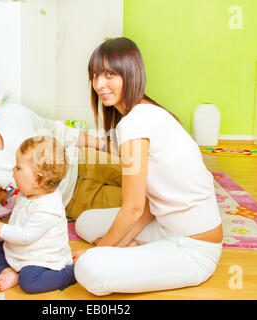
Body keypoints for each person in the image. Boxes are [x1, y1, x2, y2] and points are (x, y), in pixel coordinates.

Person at [72, 37, 223, 296]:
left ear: (131, 73)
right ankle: (134, 252)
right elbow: (147, 204)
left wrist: (99, 251)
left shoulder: (135, 123)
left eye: (110, 74)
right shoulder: (145, 111)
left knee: (88, 267)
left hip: (194, 248)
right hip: (166, 226)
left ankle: (132, 255)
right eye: (95, 75)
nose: (99, 84)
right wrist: (118, 243)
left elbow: (132, 208)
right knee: (85, 222)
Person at [0, 67, 122, 219]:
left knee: (148, 179)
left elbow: (60, 131)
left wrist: (106, 146)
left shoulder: (14, 114)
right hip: (77, 199)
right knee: (143, 208)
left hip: (85, 159)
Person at [0, 136, 76, 293]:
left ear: (37, 180)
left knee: (29, 281)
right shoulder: (29, 193)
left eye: (18, 168)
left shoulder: (48, 208)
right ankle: (9, 272)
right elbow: (20, 208)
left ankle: (70, 273)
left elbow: (25, 236)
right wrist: (3, 198)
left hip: (41, 259)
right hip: (21, 251)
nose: (13, 170)